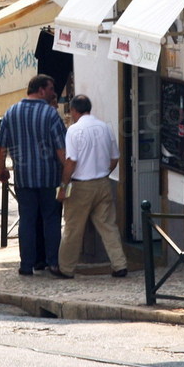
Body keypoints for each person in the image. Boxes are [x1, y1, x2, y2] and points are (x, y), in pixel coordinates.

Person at [0, 74, 67, 277]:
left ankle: (26, 265)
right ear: (41, 90)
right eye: (52, 88)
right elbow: (61, 150)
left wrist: (1, 169)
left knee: (26, 220)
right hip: (49, 177)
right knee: (51, 219)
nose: (54, 93)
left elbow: (1, 144)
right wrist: (68, 174)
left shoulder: (12, 112)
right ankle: (52, 263)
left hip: (23, 177)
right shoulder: (50, 115)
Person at [56, 95, 129, 279]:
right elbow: (115, 157)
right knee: (108, 226)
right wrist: (105, 171)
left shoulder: (74, 130)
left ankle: (66, 268)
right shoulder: (105, 127)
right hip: (103, 183)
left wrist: (63, 185)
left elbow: (71, 162)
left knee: (73, 228)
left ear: (74, 110)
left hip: (81, 186)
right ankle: (120, 264)